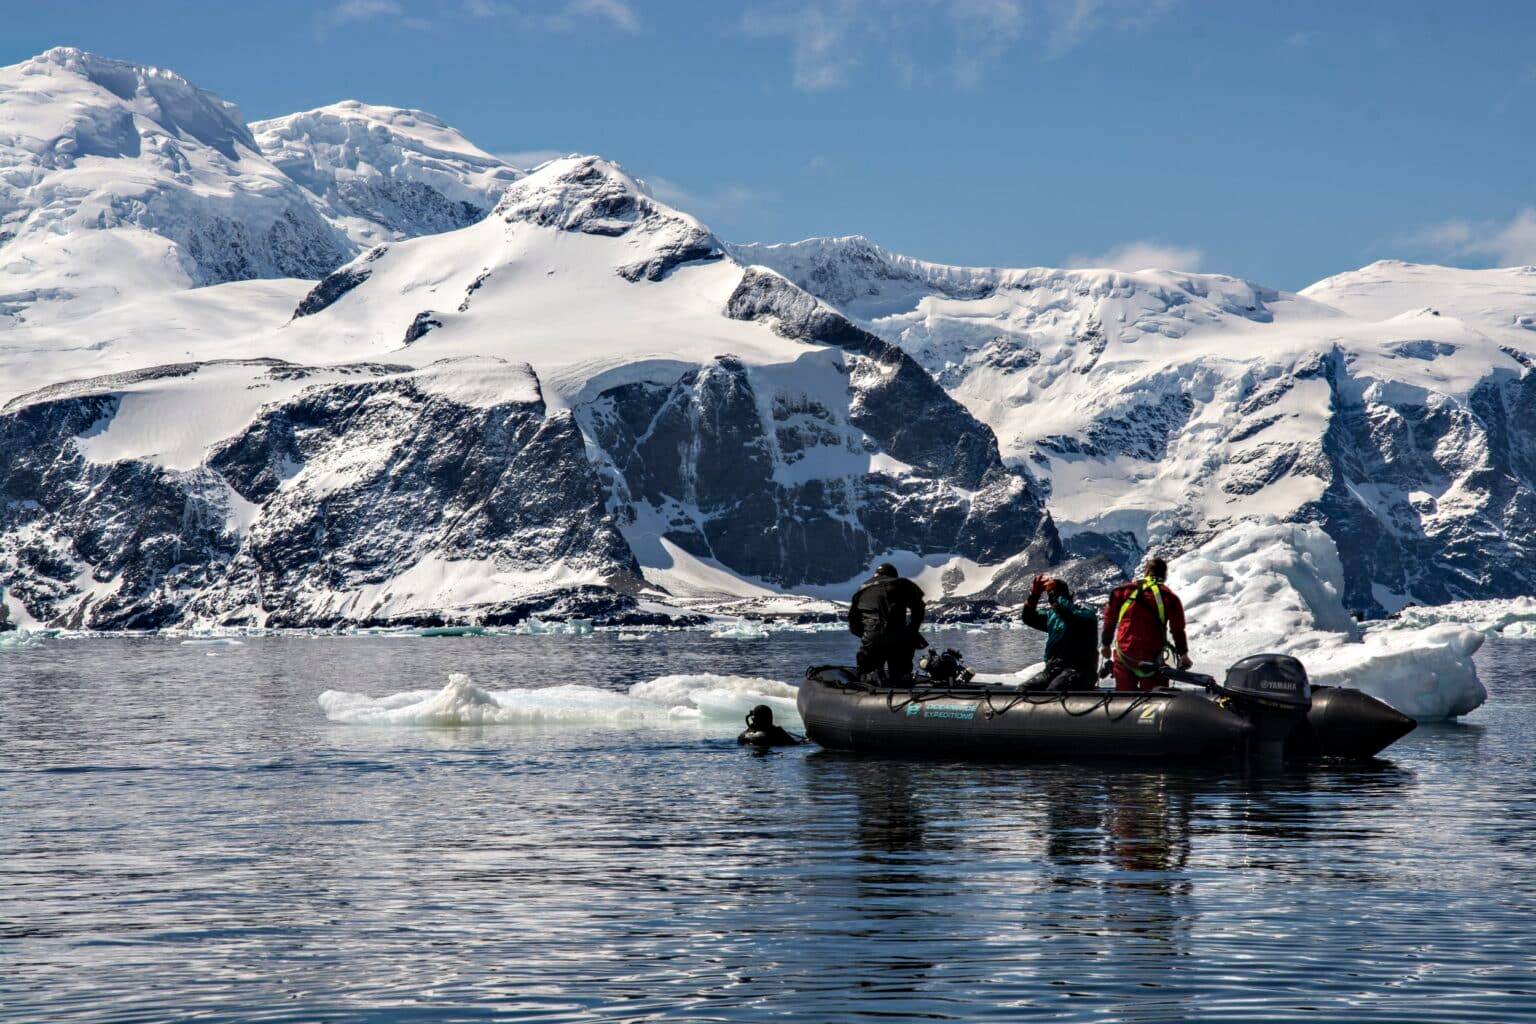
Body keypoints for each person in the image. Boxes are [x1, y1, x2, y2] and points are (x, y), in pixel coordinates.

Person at [1100, 556, 1191, 692]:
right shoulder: (1169, 597)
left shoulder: (1122, 592)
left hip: (1125, 655)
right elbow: (1177, 629)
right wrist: (1183, 654)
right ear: (1164, 575)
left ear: (1146, 571)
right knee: (1154, 700)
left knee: (1124, 698)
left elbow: (1109, 620)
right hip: (1153, 658)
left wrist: (1106, 644)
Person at [848, 562, 926, 682]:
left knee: (866, 676)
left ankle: (869, 676)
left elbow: (853, 623)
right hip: (898, 637)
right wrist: (912, 630)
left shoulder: (861, 590)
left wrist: (867, 634)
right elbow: (919, 608)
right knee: (900, 677)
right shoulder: (902, 584)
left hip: (871, 638)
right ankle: (901, 678)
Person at [1019, 574, 1099, 691]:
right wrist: (1034, 595)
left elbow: (1067, 613)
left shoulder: (1086, 615)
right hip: (1053, 670)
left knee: (1055, 689)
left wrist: (1053, 593)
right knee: (1024, 689)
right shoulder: (1052, 617)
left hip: (1080, 671)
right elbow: (1029, 618)